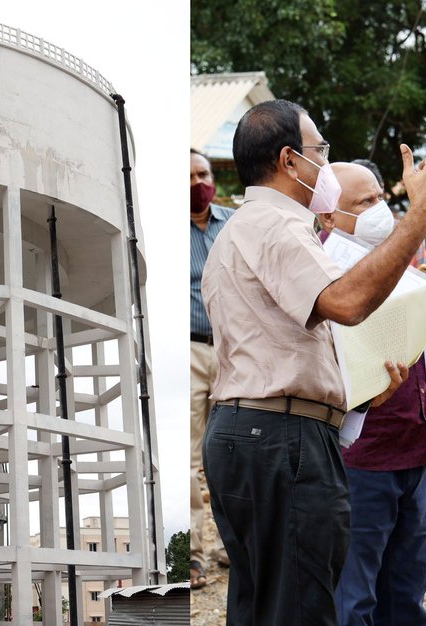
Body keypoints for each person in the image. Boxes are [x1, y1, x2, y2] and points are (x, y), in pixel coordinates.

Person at [201, 98, 426, 625]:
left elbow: (280, 344)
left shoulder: (241, 229)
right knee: (301, 605)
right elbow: (345, 302)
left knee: (266, 604)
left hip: (252, 431)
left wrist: (357, 391)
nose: (327, 160)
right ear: (291, 160)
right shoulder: (277, 223)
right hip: (280, 438)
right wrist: (419, 215)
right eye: (321, 149)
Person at [320, 162, 426, 626]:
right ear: (328, 217)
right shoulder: (325, 273)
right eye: (364, 203)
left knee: (408, 591)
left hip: (413, 444)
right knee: (356, 596)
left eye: (381, 198)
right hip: (361, 457)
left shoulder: (400, 258)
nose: (380, 210)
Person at [188, 148, 233, 589]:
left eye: (203, 174)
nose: (198, 183)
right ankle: (193, 557)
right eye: (188, 176)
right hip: (190, 351)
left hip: (234, 350)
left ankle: (233, 546)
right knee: (190, 461)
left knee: (234, 453)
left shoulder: (233, 224)